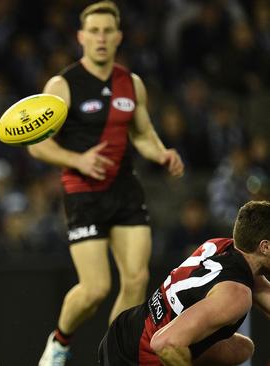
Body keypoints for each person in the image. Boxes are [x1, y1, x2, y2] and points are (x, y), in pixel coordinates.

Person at [27, 2, 184, 365]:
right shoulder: (62, 85)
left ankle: (114, 358)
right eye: (93, 31)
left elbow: (142, 134)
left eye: (107, 31)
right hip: (84, 194)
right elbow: (38, 145)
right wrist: (77, 159)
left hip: (126, 189)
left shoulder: (132, 83)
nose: (101, 37)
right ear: (81, 37)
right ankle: (60, 342)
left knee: (136, 277)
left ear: (118, 37)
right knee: (96, 288)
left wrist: (161, 153)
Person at [98, 200, 270, 365]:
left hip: (128, 326)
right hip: (135, 357)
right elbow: (165, 344)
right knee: (172, 346)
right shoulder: (236, 295)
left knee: (240, 349)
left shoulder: (220, 246)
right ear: (265, 247)